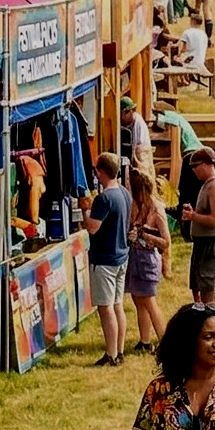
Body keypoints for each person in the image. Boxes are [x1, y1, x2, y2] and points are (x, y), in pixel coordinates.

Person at [88, 153, 133, 367]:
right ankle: (120, 350)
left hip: (105, 259)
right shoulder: (124, 193)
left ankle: (111, 354)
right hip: (121, 255)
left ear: (100, 172)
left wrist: (86, 212)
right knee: (117, 305)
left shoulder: (104, 198)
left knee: (106, 308)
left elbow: (93, 227)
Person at [127, 166, 172, 353]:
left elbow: (166, 242)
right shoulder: (136, 206)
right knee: (138, 301)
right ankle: (145, 341)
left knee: (150, 302)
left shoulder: (156, 210)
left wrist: (147, 236)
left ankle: (165, 343)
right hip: (135, 258)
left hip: (148, 261)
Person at [179, 149, 215, 305]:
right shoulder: (207, 184)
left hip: (212, 244)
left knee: (207, 292)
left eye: (196, 166)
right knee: (197, 287)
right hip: (202, 243)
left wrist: (193, 216)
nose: (193, 170)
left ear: (207, 164)